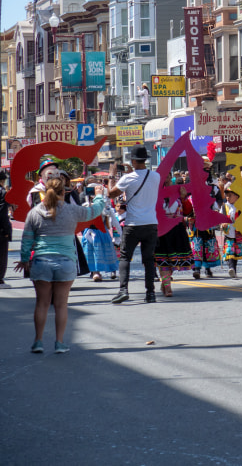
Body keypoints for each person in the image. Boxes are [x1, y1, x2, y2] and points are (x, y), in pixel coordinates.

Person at [15, 176, 106, 353]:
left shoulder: (34, 213)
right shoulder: (72, 211)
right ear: (64, 192)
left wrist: (25, 259)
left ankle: (38, 341)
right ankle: (59, 342)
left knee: (41, 304)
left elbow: (26, 241)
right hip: (66, 262)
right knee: (61, 305)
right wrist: (100, 196)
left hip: (41, 261)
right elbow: (93, 211)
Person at [107, 147, 162, 304]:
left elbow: (111, 193)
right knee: (148, 259)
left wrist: (112, 175)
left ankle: (123, 290)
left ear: (132, 160)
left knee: (125, 256)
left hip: (133, 224)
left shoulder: (127, 179)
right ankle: (150, 293)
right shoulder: (156, 176)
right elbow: (141, 179)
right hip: (151, 223)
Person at [154, 182, 194, 296]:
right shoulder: (155, 194)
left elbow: (187, 211)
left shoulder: (178, 193)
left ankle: (165, 282)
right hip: (161, 231)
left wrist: (184, 198)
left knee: (172, 260)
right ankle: (168, 287)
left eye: (169, 177)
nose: (167, 179)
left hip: (177, 231)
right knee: (163, 259)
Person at [189, 157, 223, 280]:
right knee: (197, 241)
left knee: (209, 240)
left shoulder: (213, 185)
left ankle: (208, 268)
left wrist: (215, 206)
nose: (207, 169)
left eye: (208, 168)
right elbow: (188, 197)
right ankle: (197, 268)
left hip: (209, 216)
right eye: (204, 167)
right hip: (197, 216)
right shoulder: (193, 182)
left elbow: (219, 199)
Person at [220, 183, 242, 279]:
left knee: (236, 252)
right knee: (229, 250)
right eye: (226, 195)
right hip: (229, 233)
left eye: (230, 195)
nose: (228, 197)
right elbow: (221, 218)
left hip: (238, 233)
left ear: (236, 196)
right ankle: (231, 268)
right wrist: (222, 224)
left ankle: (234, 268)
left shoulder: (241, 207)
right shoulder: (224, 207)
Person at [0, 171, 11, 288]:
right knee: (2, 255)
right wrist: (7, 230)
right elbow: (3, 213)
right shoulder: (3, 193)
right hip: (1, 229)